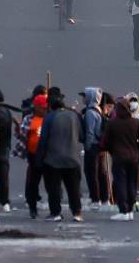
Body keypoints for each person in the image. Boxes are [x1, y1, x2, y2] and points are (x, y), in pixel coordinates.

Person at [36, 93, 83, 222]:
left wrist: (39, 158)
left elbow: (43, 139)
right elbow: (81, 136)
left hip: (53, 159)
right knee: (73, 188)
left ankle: (55, 213)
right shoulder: (74, 116)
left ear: (50, 106)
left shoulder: (49, 118)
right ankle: (77, 212)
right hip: (72, 158)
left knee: (54, 188)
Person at [103, 91, 139, 221]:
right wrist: (136, 149)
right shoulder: (136, 122)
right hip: (133, 157)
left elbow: (105, 142)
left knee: (120, 182)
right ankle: (130, 209)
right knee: (131, 183)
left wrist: (112, 150)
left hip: (118, 157)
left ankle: (123, 209)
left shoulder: (112, 123)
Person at [15, 94, 49, 219]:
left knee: (50, 183)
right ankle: (32, 207)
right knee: (32, 183)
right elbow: (22, 136)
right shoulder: (29, 119)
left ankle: (54, 208)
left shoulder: (49, 118)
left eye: (46, 107)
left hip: (47, 156)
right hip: (33, 156)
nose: (45, 110)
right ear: (36, 107)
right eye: (42, 108)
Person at [80, 87, 107, 210]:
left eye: (84, 96)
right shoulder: (98, 110)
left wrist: (87, 146)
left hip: (93, 146)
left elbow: (90, 132)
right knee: (100, 173)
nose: (83, 98)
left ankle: (95, 198)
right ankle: (103, 197)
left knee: (91, 173)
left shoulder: (90, 113)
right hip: (99, 146)